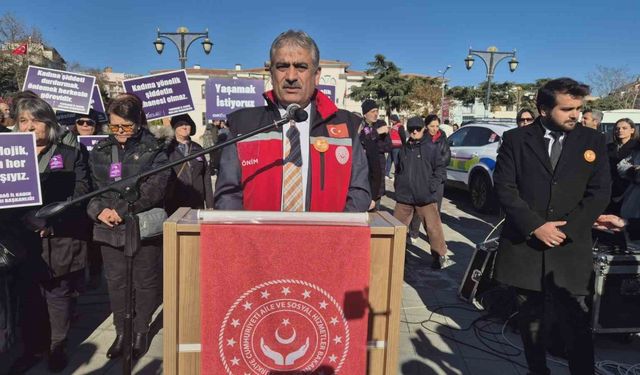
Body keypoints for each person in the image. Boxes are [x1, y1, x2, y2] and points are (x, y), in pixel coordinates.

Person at [493, 78, 611, 375]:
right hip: (526, 250)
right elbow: (505, 188)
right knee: (531, 328)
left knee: (576, 328)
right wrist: (536, 226)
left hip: (569, 252)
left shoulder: (592, 141)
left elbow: (599, 193)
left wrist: (565, 230)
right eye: (567, 109)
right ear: (543, 109)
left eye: (578, 108)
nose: (575, 115)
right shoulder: (516, 140)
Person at [214, 30, 370, 212]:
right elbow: (227, 195)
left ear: (316, 75)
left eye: (301, 67)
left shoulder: (346, 125)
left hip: (326, 239)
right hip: (257, 239)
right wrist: (246, 238)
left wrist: (334, 237)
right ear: (271, 74)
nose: (291, 76)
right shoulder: (242, 124)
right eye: (282, 67)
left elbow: (359, 192)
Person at [8, 97, 90, 373]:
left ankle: (58, 346)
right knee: (29, 297)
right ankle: (33, 349)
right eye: (23, 121)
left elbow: (80, 194)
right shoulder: (8, 156)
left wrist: (50, 221)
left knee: (57, 297)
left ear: (49, 124)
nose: (29, 127)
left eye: (36, 120)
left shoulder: (68, 155)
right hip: (21, 240)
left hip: (59, 239)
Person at [86, 93, 170, 360]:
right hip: (107, 228)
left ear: (139, 122)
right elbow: (89, 189)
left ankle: (140, 331)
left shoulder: (156, 148)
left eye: (126, 126)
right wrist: (99, 211)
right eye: (114, 126)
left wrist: (121, 210)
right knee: (117, 283)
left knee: (145, 282)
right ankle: (122, 331)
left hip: (140, 225)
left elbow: (155, 188)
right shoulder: (100, 150)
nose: (120, 132)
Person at [393, 116, 451, 269]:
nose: (415, 132)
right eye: (412, 129)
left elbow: (440, 169)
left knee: (433, 228)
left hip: (425, 196)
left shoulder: (431, 148)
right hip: (404, 197)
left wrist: (431, 186)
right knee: (397, 228)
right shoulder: (403, 149)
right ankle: (397, 255)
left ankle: (439, 256)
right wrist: (398, 185)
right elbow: (398, 169)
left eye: (418, 129)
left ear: (423, 129)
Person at [165, 113, 214, 215]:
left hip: (197, 202)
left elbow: (206, 176)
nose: (184, 127)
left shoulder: (198, 148)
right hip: (175, 203)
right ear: (174, 128)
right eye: (180, 124)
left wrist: (210, 204)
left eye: (187, 124)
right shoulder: (167, 149)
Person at [360, 99, 392, 208]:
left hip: (378, 168)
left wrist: (370, 146)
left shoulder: (381, 124)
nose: (376, 114)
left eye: (377, 111)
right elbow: (362, 141)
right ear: (365, 114)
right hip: (364, 171)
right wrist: (377, 133)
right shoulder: (361, 126)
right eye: (373, 111)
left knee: (375, 209)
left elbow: (388, 146)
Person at [606, 118, 638, 214]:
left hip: (628, 189)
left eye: (624, 128)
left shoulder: (636, 148)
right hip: (609, 187)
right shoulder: (609, 147)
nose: (620, 131)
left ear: (632, 130)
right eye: (618, 128)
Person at [385, 114, 406, 179]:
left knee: (395, 161)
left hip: (397, 146)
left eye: (391, 119)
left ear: (394, 119)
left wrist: (404, 145)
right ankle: (388, 174)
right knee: (390, 160)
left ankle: (395, 174)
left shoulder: (399, 126)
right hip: (393, 146)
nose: (390, 121)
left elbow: (403, 136)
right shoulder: (394, 126)